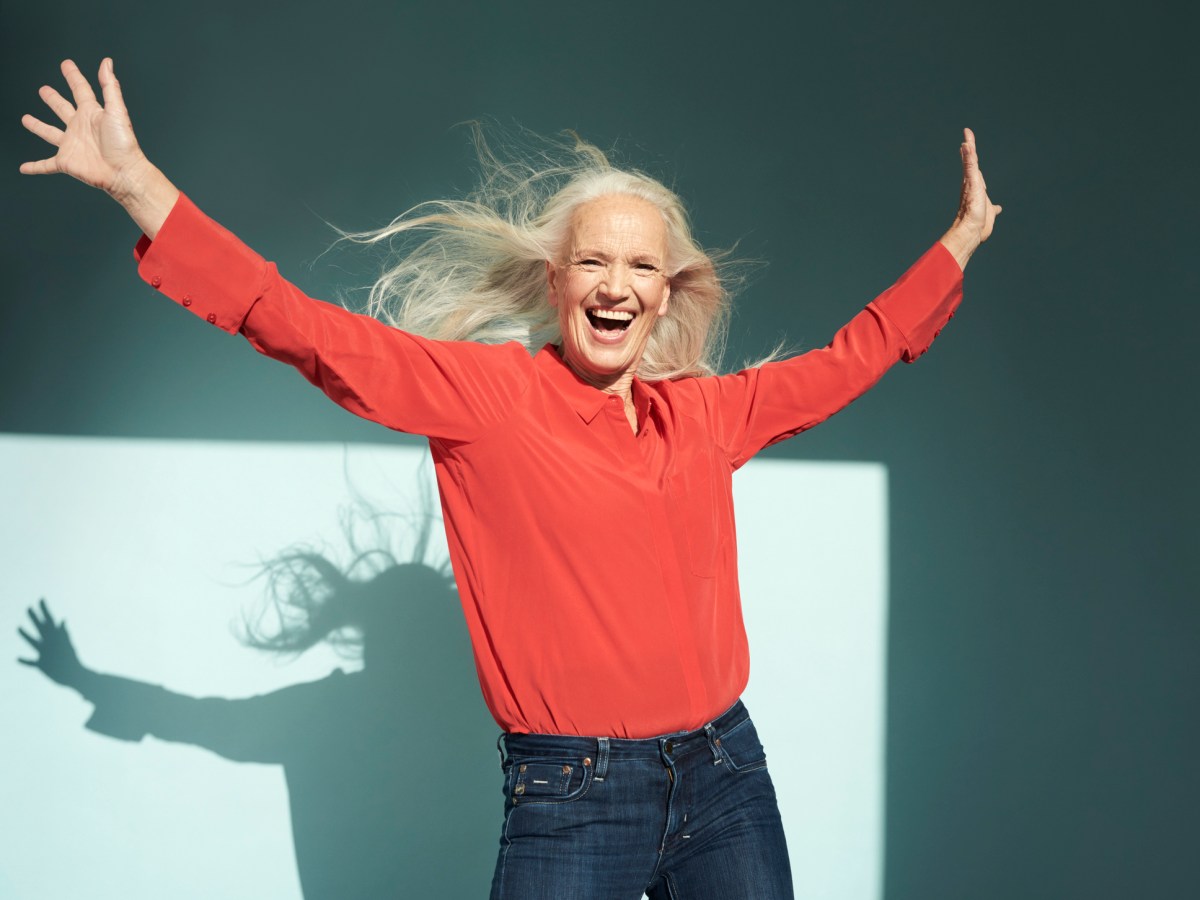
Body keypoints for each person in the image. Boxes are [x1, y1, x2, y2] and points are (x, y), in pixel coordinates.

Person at [20, 58, 1000, 899]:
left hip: (725, 774)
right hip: (572, 799)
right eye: (593, 263)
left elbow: (850, 359)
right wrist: (141, 188)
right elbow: (305, 329)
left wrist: (955, 247)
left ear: (666, 295)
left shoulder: (703, 414)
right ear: (557, 283)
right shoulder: (488, 398)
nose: (615, 285)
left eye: (640, 269)